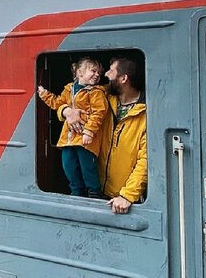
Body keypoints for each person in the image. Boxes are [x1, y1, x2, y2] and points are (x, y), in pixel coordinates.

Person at [61, 56, 147, 214]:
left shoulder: (145, 113)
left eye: (111, 70)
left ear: (123, 79)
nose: (105, 74)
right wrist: (66, 111)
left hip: (121, 200)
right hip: (94, 192)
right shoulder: (102, 97)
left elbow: (145, 161)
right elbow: (70, 100)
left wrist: (127, 195)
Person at [37, 57, 108, 198]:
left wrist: (89, 131)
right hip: (68, 139)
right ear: (80, 72)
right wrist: (45, 95)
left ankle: (94, 193)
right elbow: (58, 103)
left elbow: (99, 112)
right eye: (93, 71)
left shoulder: (96, 92)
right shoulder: (69, 89)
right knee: (69, 167)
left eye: (99, 73)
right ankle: (76, 193)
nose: (97, 75)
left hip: (85, 139)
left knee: (88, 168)